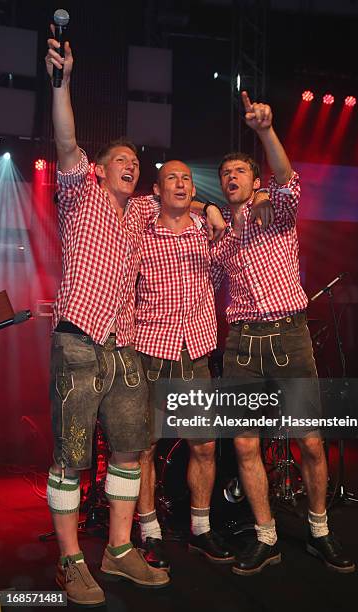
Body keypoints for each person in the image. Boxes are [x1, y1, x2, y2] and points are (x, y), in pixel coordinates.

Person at [44, 30, 226, 604]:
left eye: (133, 160)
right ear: (97, 171)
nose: (130, 163)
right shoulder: (83, 195)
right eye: (119, 159)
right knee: (71, 456)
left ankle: (118, 550)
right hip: (78, 340)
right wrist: (64, 82)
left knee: (128, 449)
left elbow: (177, 199)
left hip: (123, 347)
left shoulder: (139, 216)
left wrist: (207, 204)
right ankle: (70, 561)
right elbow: (67, 138)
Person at [211, 91, 356, 575]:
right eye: (225, 174)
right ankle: (266, 536)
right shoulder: (224, 242)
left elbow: (290, 183)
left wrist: (264, 132)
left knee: (310, 441)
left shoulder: (275, 216)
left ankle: (319, 530)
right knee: (246, 444)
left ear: (255, 182)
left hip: (289, 336)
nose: (232, 178)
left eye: (241, 172)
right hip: (242, 343)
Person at [135, 160, 235, 569]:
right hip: (151, 350)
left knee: (205, 445)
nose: (181, 183)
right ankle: (149, 533)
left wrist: (210, 211)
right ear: (157, 190)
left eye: (187, 178)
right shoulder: (139, 232)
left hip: (194, 351)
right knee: (144, 448)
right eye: (172, 178)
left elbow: (243, 219)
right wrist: (202, 205)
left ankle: (199, 529)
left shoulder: (207, 234)